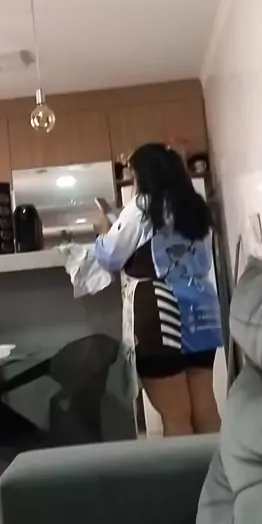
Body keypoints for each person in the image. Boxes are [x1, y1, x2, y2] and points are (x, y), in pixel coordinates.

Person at [95, 142, 222, 436]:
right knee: (205, 407)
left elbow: (111, 256)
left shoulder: (142, 206)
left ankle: (185, 470)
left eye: (134, 174)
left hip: (161, 309)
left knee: (175, 415)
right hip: (202, 308)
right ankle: (220, 467)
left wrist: (103, 230)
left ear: (144, 175)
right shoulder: (195, 206)